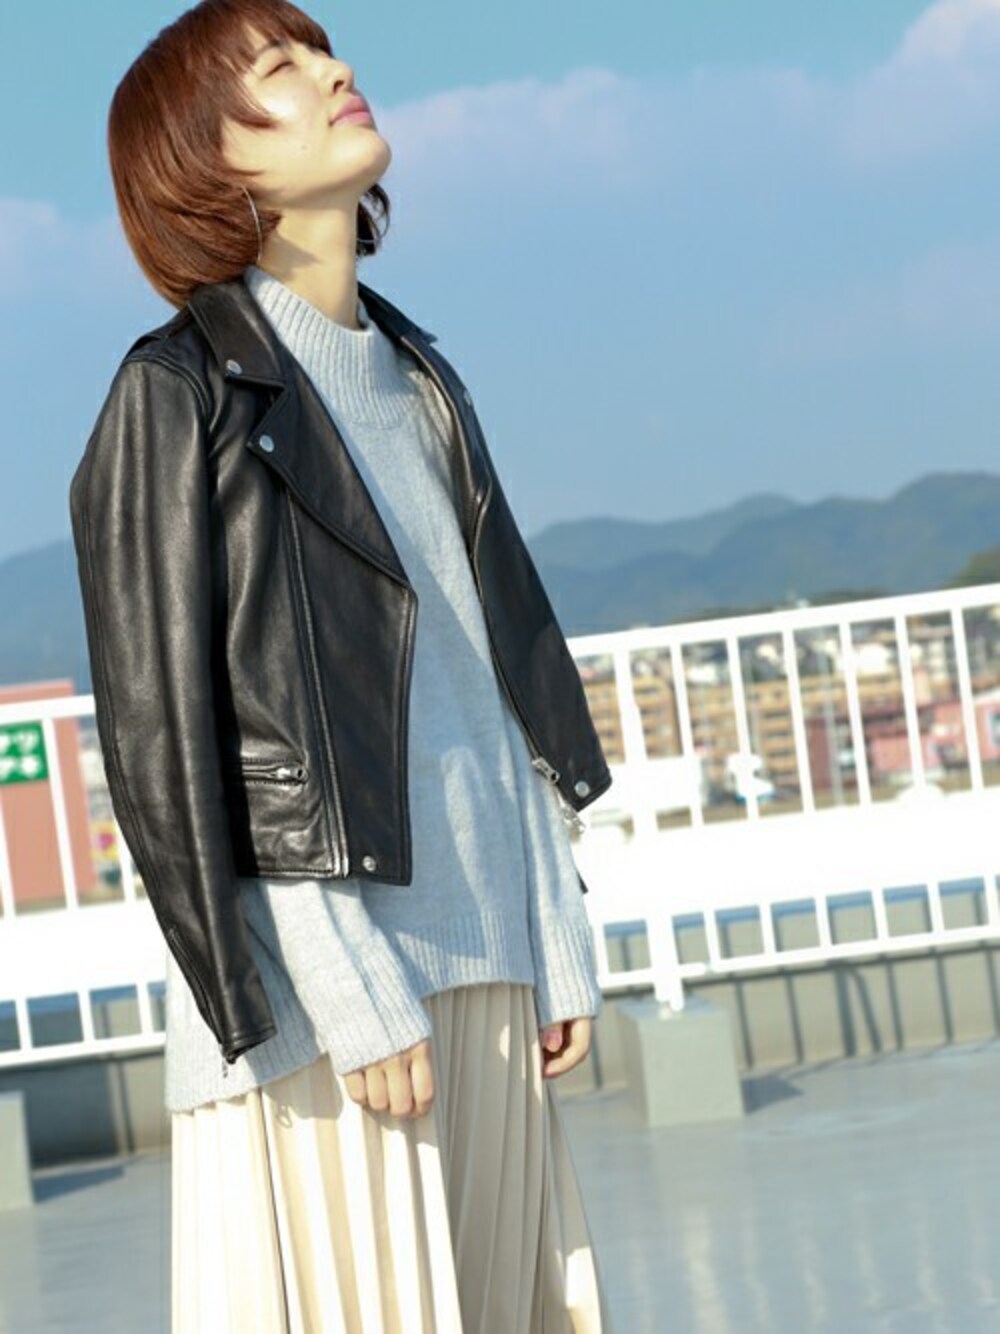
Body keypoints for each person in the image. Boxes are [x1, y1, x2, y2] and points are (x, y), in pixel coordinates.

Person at [69, 0, 616, 1328]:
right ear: (208, 157)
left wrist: (553, 926)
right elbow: (170, 741)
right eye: (281, 66)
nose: (335, 71)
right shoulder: (178, 395)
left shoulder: (419, 378)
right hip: (327, 1006)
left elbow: (489, 673)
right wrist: (336, 979)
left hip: (485, 967)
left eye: (320, 49)